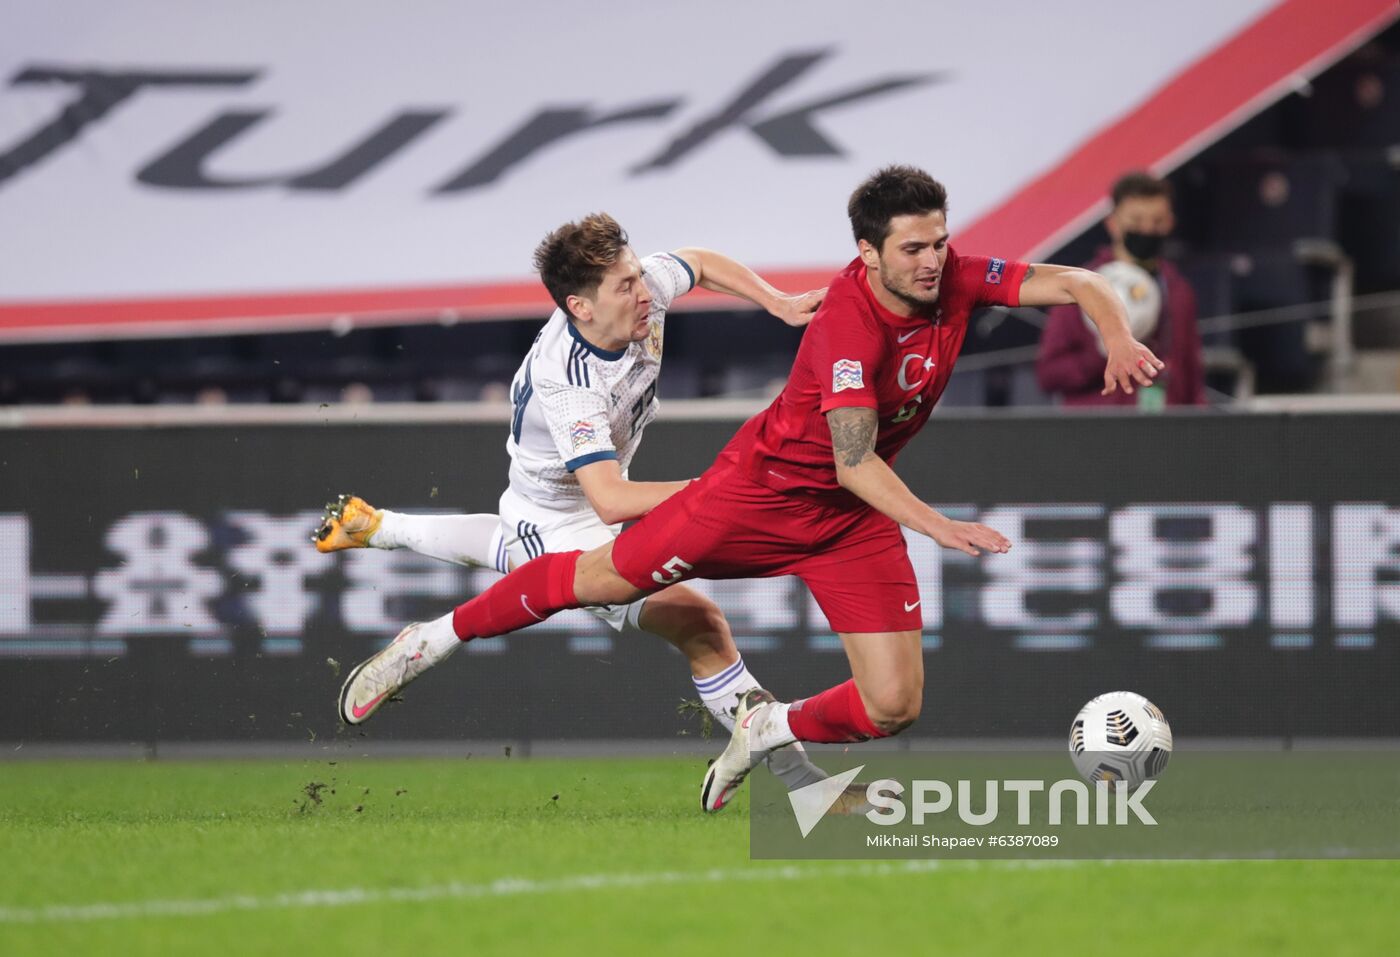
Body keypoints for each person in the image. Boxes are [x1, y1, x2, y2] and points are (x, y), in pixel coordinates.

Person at [338, 166, 1163, 813]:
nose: (933, 260)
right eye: (914, 248)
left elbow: (1079, 281)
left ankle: (770, 727)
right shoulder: (581, 377)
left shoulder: (650, 284)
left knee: (893, 704)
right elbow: (832, 463)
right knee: (595, 581)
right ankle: (432, 638)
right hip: (688, 498)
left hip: (845, 517)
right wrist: (932, 524)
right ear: (868, 253)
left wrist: (1116, 333)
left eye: (939, 243)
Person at [317, 212, 841, 796]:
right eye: (626, 286)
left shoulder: (639, 294)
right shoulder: (568, 381)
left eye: (638, 275)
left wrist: (778, 302)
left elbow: (698, 262)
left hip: (573, 498)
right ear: (581, 307)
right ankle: (808, 790)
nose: (645, 293)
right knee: (698, 621)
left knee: (521, 553)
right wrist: (721, 486)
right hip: (558, 518)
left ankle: (382, 530)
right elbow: (612, 501)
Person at [1036, 171, 1204, 407]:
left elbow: (1191, 374)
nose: (1147, 230)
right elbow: (1049, 374)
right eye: (1136, 221)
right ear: (1113, 224)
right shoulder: (1080, 286)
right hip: (1098, 423)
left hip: (1160, 423)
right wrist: (1103, 351)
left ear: (1170, 223)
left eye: (1157, 222)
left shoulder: (1178, 290)